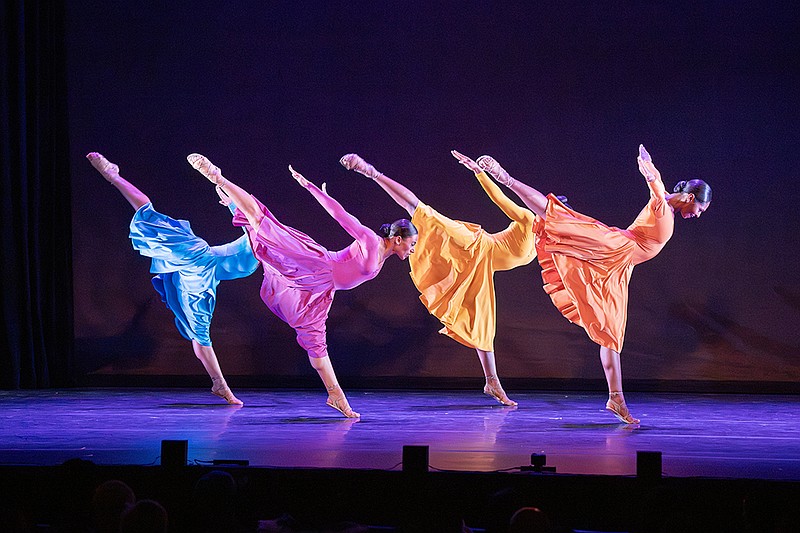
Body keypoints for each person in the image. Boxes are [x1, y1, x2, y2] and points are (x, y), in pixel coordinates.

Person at [476, 145, 712, 424]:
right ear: (690, 197)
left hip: (618, 267)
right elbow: (654, 182)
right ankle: (505, 177)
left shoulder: (666, 205)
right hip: (614, 247)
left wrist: (649, 166)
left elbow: (655, 180)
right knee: (558, 217)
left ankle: (616, 398)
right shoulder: (661, 201)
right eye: (700, 208)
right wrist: (647, 168)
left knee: (611, 332)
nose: (699, 214)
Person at [188, 153, 418, 418]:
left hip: (321, 290)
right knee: (265, 224)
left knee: (315, 343)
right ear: (398, 239)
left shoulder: (383, 257)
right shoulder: (370, 241)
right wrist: (312, 189)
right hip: (316, 265)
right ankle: (218, 177)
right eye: (412, 244)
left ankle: (336, 396)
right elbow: (341, 216)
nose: (413, 249)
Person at [340, 150, 537, 406]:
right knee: (425, 214)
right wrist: (481, 174)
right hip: (475, 245)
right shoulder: (528, 220)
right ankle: (370, 171)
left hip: (480, 267)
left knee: (483, 324)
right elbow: (500, 200)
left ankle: (492, 381)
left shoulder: (543, 244)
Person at [87, 152, 259, 406]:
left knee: (200, 335)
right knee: (151, 217)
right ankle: (114, 176)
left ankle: (219, 384)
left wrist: (232, 204)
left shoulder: (255, 251)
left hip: (203, 274)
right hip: (201, 262)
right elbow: (252, 222)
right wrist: (231, 202)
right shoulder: (249, 245)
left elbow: (253, 224)